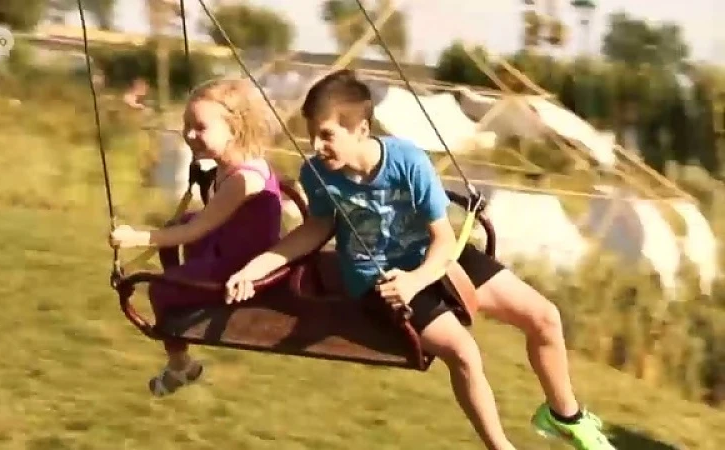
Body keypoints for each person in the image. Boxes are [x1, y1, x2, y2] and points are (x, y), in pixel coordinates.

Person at [225, 69, 615, 450]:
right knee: (463, 352)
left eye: (327, 135)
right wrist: (255, 268)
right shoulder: (318, 174)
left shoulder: (407, 161)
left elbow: (443, 240)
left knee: (545, 317)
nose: (316, 146)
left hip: (433, 258)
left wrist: (418, 278)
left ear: (361, 129)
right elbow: (314, 230)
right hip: (381, 278)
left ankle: (565, 416)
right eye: (311, 135)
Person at [109, 78, 283, 397]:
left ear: (235, 128)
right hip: (228, 245)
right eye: (186, 125)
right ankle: (186, 289)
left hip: (240, 266)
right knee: (183, 222)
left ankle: (181, 365)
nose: (189, 134)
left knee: (160, 290)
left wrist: (137, 237)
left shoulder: (241, 179)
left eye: (200, 127)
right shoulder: (228, 166)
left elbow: (198, 230)